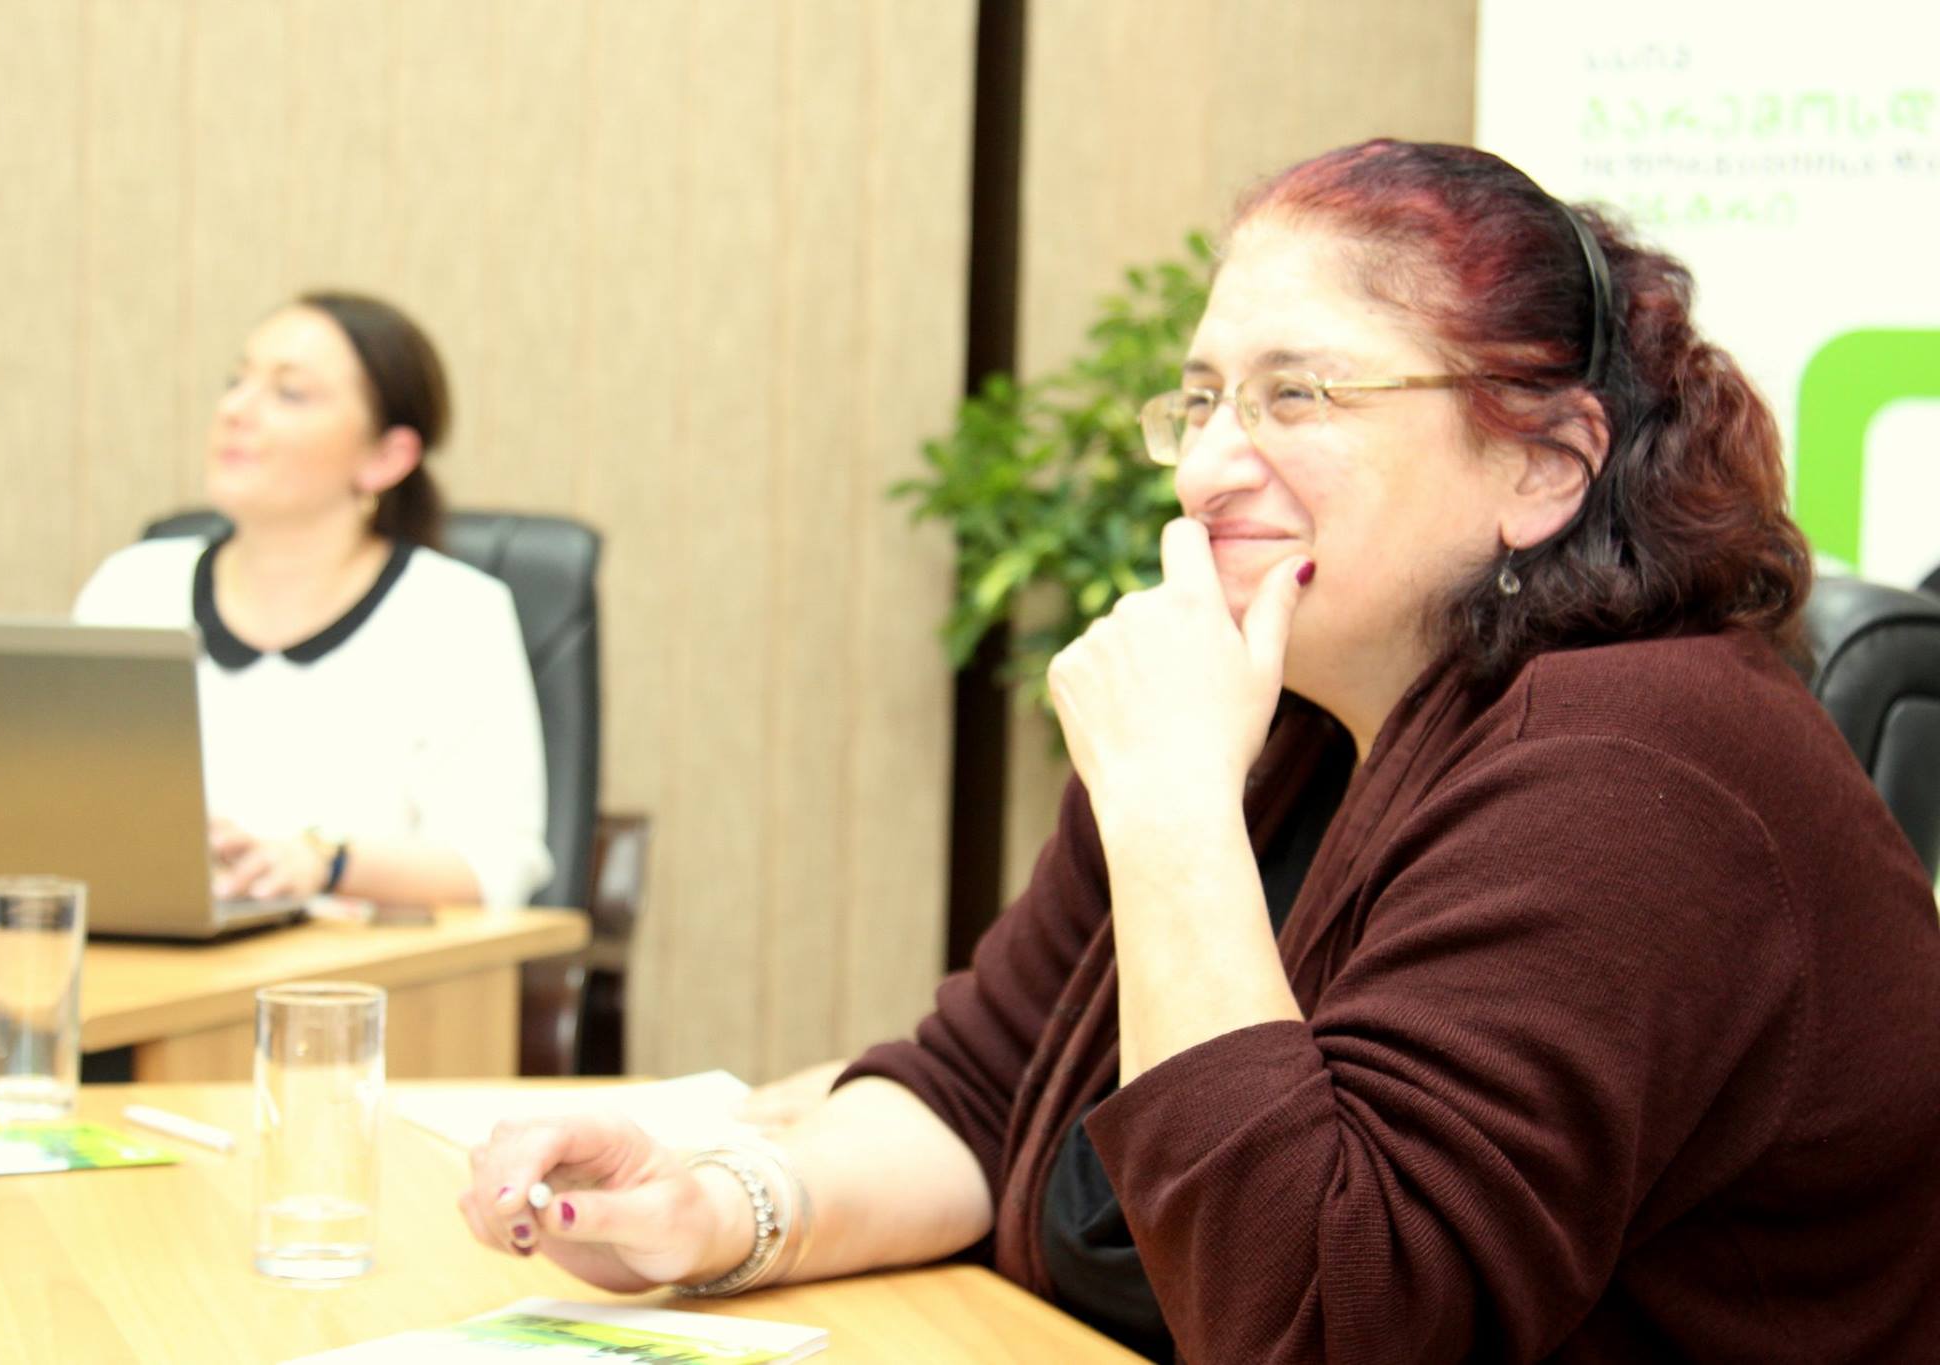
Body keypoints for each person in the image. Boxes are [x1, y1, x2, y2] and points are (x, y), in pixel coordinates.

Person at [458, 141, 1940, 1361]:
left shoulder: (1638, 760)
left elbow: (1330, 1324)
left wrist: (1171, 812)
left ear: (1542, 466)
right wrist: (722, 1209)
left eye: (1298, 394)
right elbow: (981, 1093)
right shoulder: (1271, 707)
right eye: (1205, 399)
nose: (1211, 467)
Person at [75, 291, 551, 910]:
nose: (235, 410)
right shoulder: (132, 588)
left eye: (290, 393)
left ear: (386, 457)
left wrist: (327, 864)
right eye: (236, 382)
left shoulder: (456, 615)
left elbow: (495, 871)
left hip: (364, 967)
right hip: (152, 953)